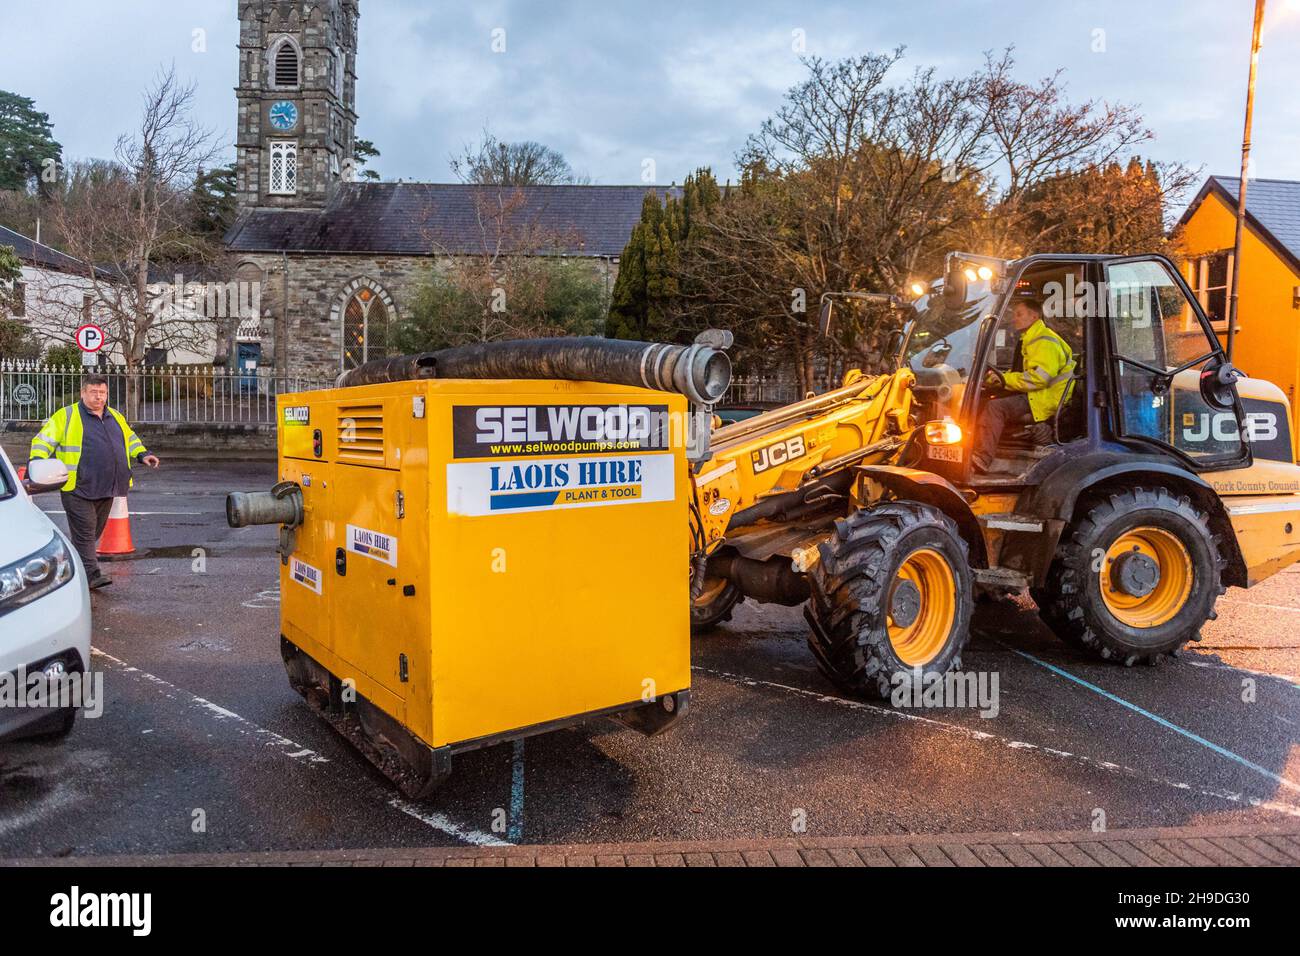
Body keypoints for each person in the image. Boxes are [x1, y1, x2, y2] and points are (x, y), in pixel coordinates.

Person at [28, 374, 160, 589]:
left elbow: (130, 438)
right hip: (77, 487)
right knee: (86, 531)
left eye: (102, 393)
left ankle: (67, 564)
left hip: (109, 486)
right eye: (93, 392)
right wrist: (36, 465)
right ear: (83, 393)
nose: (98, 397)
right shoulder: (67, 415)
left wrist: (143, 454)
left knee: (92, 532)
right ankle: (91, 575)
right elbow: (42, 441)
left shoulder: (115, 416)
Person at [973, 297, 1075, 473]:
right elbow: (1027, 373)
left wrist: (1005, 380)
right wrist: (1002, 379)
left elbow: (1038, 378)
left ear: (1034, 316)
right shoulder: (1032, 338)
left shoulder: (1044, 341)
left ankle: (982, 458)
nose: (1014, 318)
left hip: (1045, 399)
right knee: (984, 397)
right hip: (1038, 395)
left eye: (1019, 314)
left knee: (994, 407)